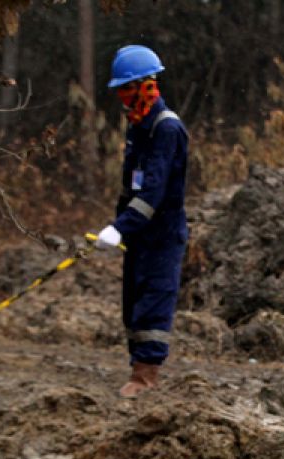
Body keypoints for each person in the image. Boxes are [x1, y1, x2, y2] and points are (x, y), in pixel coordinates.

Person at [95, 45, 189, 398]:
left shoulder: (166, 129)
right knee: (133, 302)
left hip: (162, 234)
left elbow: (153, 191)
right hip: (139, 234)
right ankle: (136, 369)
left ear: (145, 85)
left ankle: (145, 377)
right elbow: (131, 185)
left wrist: (122, 226)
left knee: (153, 301)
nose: (122, 97)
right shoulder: (138, 127)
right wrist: (119, 224)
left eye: (127, 88)